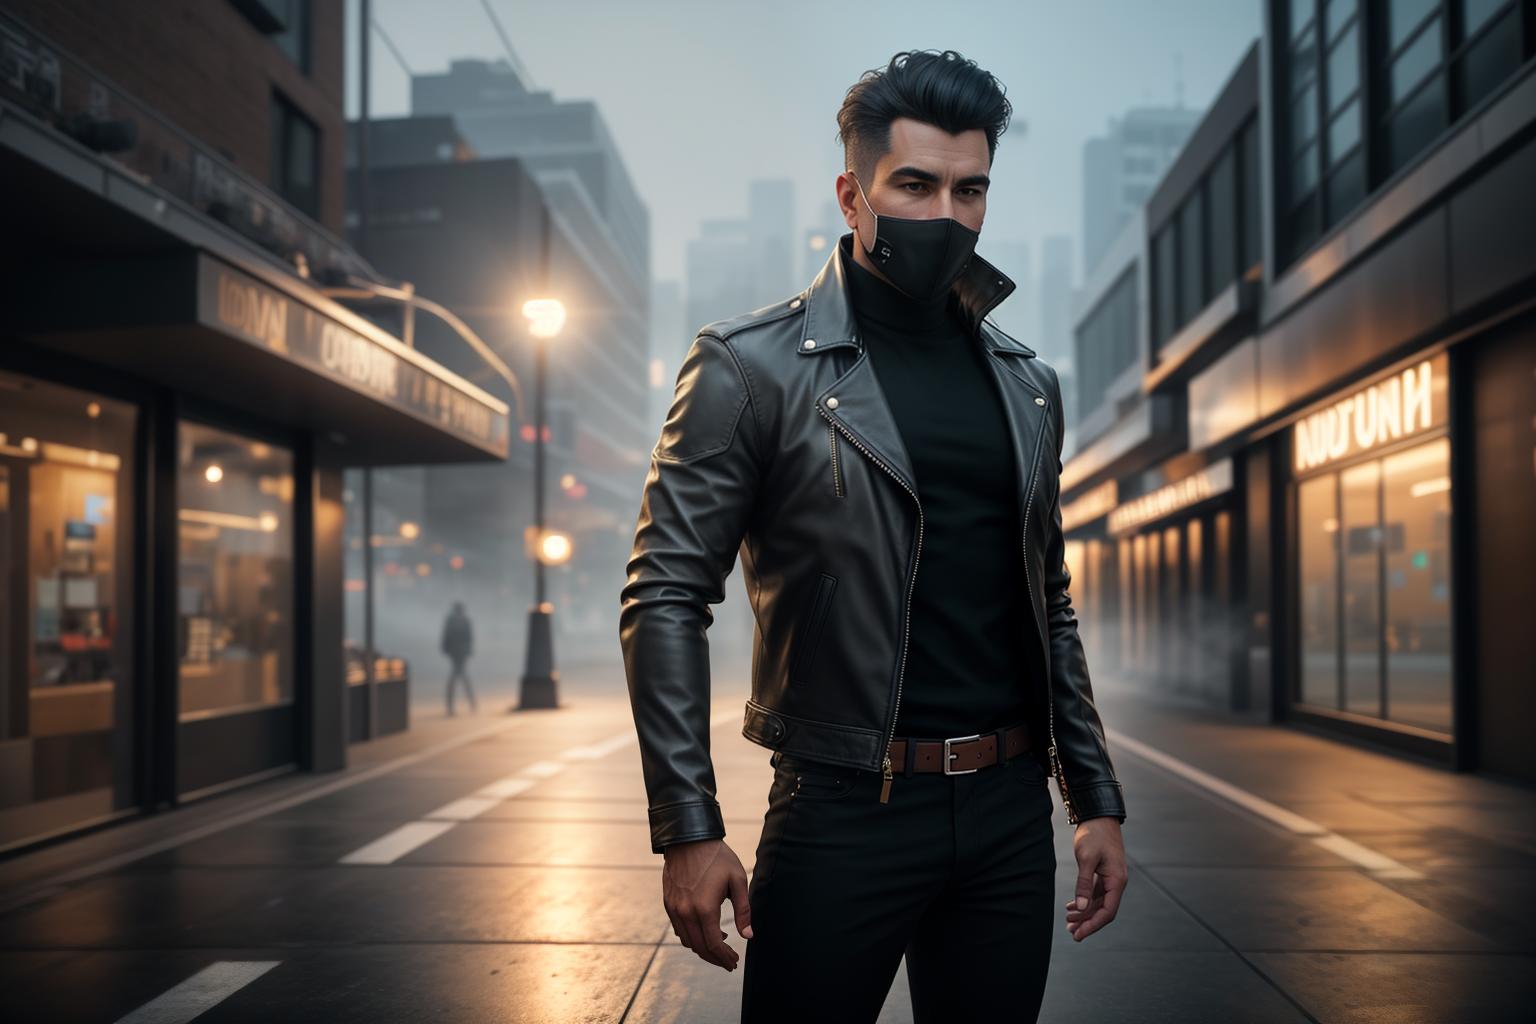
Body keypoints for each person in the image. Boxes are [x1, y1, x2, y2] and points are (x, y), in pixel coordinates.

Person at [619, 49, 1128, 1023]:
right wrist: (688, 825)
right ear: (853, 193)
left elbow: (1048, 600)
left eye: (970, 188)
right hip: (846, 809)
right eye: (916, 185)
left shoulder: (1027, 384)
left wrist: (1092, 797)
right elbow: (667, 591)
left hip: (1009, 813)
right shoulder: (749, 367)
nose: (946, 213)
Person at [441, 601, 476, 715]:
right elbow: (470, 638)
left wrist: (446, 649)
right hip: (461, 653)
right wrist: (469, 651)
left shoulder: (451, 620)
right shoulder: (465, 620)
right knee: (461, 676)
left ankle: (451, 705)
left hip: (455, 653)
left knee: (456, 677)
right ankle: (471, 702)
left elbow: (445, 636)